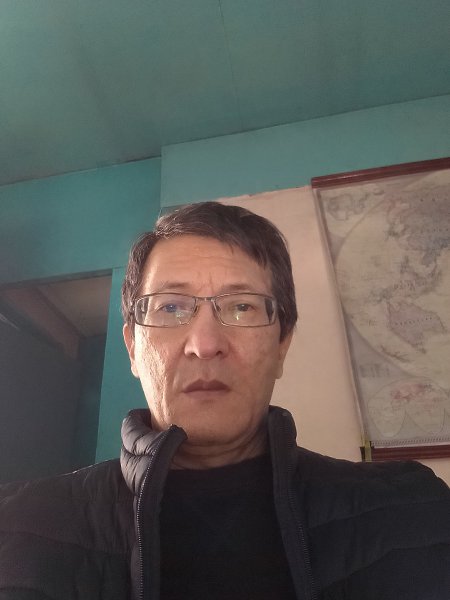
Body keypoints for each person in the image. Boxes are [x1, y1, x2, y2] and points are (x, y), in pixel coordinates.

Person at [1, 201, 449, 600]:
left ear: (282, 346)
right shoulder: (17, 525)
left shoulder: (413, 509)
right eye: (171, 307)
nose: (205, 344)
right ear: (133, 349)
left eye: (242, 307)